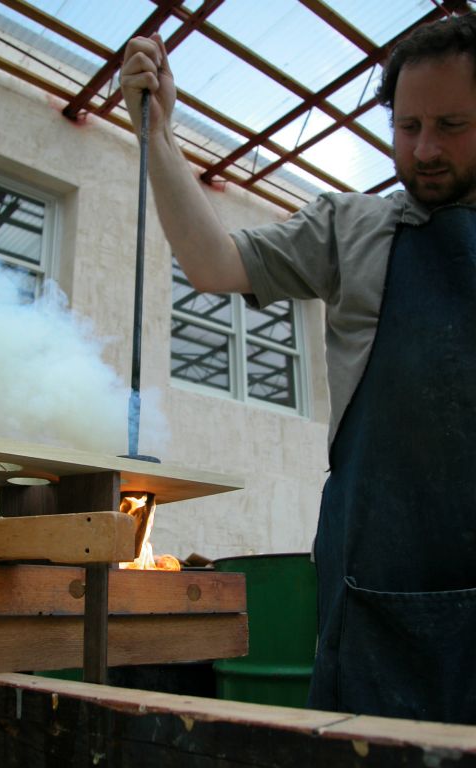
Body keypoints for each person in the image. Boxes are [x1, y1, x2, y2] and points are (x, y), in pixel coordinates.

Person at [120, 12, 476, 724]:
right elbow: (213, 262)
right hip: (376, 590)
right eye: (407, 128)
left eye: (451, 125)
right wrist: (155, 137)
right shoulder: (355, 228)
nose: (425, 148)